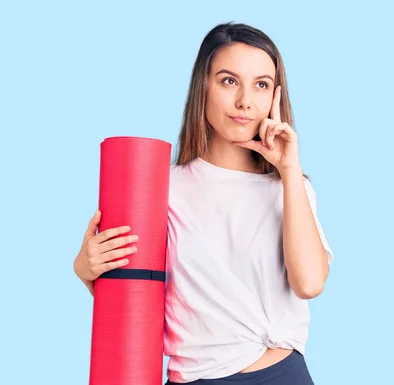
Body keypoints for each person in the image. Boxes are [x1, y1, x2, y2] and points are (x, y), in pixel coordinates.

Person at [73, 22, 334, 384]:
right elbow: (136, 297)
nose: (245, 100)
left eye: (261, 84)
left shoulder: (290, 187)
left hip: (280, 373)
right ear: (203, 86)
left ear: (276, 95)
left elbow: (309, 283)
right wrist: (88, 272)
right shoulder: (159, 190)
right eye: (229, 81)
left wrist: (290, 170)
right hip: (196, 377)